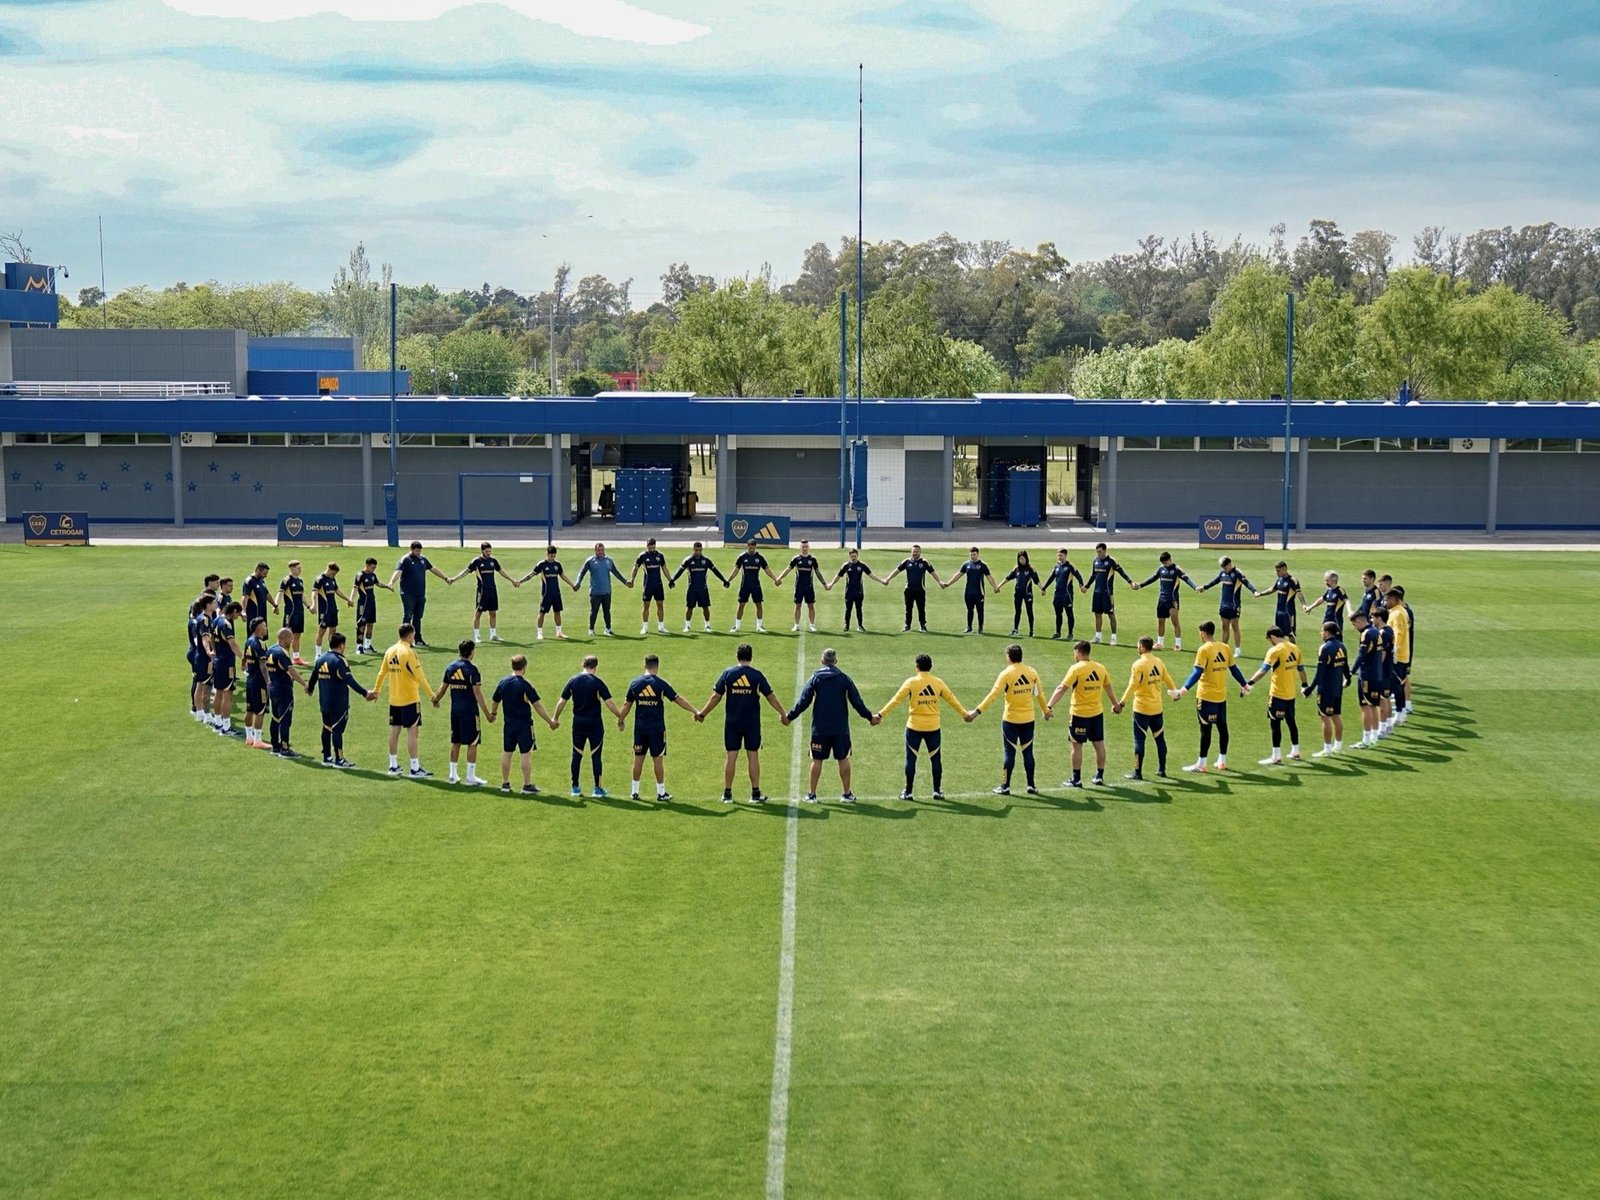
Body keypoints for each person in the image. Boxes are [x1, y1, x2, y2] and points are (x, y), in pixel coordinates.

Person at [784, 647, 878, 803]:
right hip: (840, 728)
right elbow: (857, 702)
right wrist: (870, 717)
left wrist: (789, 717)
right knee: (843, 758)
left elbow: (803, 701)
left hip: (820, 729)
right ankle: (846, 794)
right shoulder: (844, 679)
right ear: (836, 661)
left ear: (822, 661)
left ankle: (812, 794)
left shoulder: (815, 678)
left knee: (817, 760)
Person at [697, 643, 787, 804]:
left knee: (731, 755)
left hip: (732, 722)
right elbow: (770, 697)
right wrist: (783, 713)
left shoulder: (728, 674)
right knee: (753, 755)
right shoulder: (757, 675)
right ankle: (755, 793)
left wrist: (702, 713)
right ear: (751, 657)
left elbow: (716, 697)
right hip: (751, 722)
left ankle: (727, 793)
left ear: (737, 656)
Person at [877, 653, 968, 800]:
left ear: (916, 667)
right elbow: (952, 699)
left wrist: (880, 715)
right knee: (936, 759)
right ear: (930, 667)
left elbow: (896, 700)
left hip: (914, 727)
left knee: (911, 759)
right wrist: (964, 714)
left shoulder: (911, 683)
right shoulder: (938, 683)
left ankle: (908, 792)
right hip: (933, 727)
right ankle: (937, 791)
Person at [968, 643, 1050, 796]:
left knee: (1009, 754)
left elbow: (993, 695)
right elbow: (1040, 694)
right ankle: (1031, 785)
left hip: (1011, 721)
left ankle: (1005, 786)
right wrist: (1045, 711)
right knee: (1028, 753)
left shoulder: (1006, 674)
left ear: (1009, 657)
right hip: (1028, 720)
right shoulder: (1031, 672)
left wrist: (976, 712)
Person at [616, 654, 699, 802]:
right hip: (657, 728)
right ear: (657, 666)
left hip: (640, 728)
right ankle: (661, 793)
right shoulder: (661, 684)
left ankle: (634, 791)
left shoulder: (635, 683)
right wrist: (695, 711)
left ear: (644, 665)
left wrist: (621, 719)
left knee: (638, 759)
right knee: (658, 760)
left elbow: (626, 705)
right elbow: (677, 699)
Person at [1172, 620, 1251, 773]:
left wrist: (1183, 690)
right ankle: (1222, 761)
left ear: (1203, 633)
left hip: (1206, 696)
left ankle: (1202, 764)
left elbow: (1197, 672)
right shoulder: (1225, 647)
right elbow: (1234, 669)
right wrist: (1245, 684)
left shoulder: (1204, 649)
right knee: (1223, 728)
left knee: (1205, 730)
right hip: (1221, 696)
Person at [1046, 640, 1120, 788]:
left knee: (1076, 746)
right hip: (1097, 713)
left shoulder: (1076, 669)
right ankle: (1099, 775)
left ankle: (1076, 779)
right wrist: (1115, 704)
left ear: (1079, 652)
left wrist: (1049, 706)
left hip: (1079, 714)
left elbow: (1062, 688)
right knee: (1099, 744)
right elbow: (1109, 688)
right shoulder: (1100, 668)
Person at [553, 654, 625, 797]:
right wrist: (620, 717)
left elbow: (562, 702)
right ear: (595, 667)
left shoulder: (573, 681)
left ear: (583, 664)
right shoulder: (597, 683)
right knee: (596, 756)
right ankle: (597, 789)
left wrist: (555, 718)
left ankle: (575, 787)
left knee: (576, 755)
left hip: (578, 723)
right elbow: (609, 702)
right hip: (595, 724)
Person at [373, 622, 437, 778]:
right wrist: (431, 695)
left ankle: (393, 765)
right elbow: (420, 676)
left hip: (394, 699)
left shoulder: (390, 651)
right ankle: (415, 768)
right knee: (412, 732)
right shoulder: (409, 653)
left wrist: (377, 690)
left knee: (394, 730)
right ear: (410, 635)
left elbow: (382, 673)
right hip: (409, 698)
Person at [489, 654, 558, 795]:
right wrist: (550, 722)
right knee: (525, 754)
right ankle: (526, 785)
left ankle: (505, 783)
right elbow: (537, 706)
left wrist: (494, 714)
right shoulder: (525, 685)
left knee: (507, 752)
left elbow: (495, 700)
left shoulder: (503, 682)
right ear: (524, 667)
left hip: (508, 724)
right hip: (524, 725)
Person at [306, 631, 376, 768]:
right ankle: (339, 759)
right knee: (337, 730)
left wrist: (309, 689)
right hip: (338, 703)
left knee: (326, 728)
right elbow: (349, 680)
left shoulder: (320, 659)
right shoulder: (340, 661)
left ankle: (327, 757)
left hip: (324, 702)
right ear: (342, 645)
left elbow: (313, 678)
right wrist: (364, 693)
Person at [432, 639, 494, 786]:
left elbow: (443, 687)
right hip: (470, 711)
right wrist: (487, 713)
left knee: (456, 741)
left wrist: (436, 699)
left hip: (455, 711)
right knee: (473, 742)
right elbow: (477, 693)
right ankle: (470, 776)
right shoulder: (472, 670)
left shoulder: (451, 667)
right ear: (471, 652)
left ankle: (452, 775)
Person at [1244, 626, 1308, 765]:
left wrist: (1249, 683)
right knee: (1291, 722)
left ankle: (1276, 755)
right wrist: (1304, 685)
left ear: (1272, 637)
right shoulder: (1294, 648)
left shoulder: (1275, 651)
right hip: (1291, 693)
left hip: (1278, 693)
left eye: (1269, 640)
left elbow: (1264, 670)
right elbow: (1301, 669)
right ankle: (1295, 751)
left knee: (1275, 724)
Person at [1118, 635, 1178, 781]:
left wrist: (1122, 702)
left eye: (1138, 645)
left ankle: (1137, 772)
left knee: (1139, 742)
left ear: (1143, 647)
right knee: (1160, 740)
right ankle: (1162, 769)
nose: (1137, 648)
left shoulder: (1138, 664)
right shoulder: (1158, 662)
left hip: (1141, 709)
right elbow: (1167, 678)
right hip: (1157, 708)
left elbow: (1132, 685)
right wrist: (1175, 692)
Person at [449, 542, 516, 644]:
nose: (488, 553)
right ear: (482, 551)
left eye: (489, 551)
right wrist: (454, 579)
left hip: (492, 590)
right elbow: (466, 572)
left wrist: (512, 580)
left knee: (493, 612)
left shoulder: (493, 561)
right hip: (482, 591)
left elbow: (501, 571)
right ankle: (477, 635)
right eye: (486, 551)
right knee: (478, 613)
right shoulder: (476, 561)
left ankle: (493, 634)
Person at [389, 542, 453, 647]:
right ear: (411, 549)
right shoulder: (406, 559)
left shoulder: (423, 559)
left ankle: (418, 639)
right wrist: (391, 582)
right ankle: (405, 641)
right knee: (407, 616)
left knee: (418, 617)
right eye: (416, 551)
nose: (418, 553)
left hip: (420, 593)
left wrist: (445, 578)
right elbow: (398, 572)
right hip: (408, 593)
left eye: (419, 551)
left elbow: (433, 569)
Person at [1303, 620, 1351, 758]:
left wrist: (1310, 689)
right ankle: (1338, 745)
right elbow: (1345, 666)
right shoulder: (1342, 646)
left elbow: (1320, 673)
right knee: (1336, 715)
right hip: (1337, 688)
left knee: (1325, 717)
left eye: (1322, 631)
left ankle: (1327, 748)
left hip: (1326, 689)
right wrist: (1348, 678)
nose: (1320, 633)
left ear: (1327, 632)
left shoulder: (1325, 648)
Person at [1134, 552, 1197, 651]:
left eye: (1166, 562)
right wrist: (1140, 585)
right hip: (1162, 599)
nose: (1165, 564)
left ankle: (1178, 644)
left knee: (1174, 621)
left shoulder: (1177, 569)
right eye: (1163, 563)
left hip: (1173, 599)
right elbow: (1153, 578)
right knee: (1160, 621)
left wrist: (1195, 587)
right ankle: (1160, 643)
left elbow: (1186, 579)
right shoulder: (1161, 569)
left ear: (1170, 559)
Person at [264, 627, 308, 757]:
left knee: (275, 718)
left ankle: (275, 746)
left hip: (273, 688)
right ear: (284, 639)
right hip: (283, 690)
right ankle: (285, 748)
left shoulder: (270, 650)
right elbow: (291, 670)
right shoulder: (281, 653)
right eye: (291, 639)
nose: (292, 641)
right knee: (285, 720)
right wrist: (304, 684)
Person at [1196, 556, 1255, 653]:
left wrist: (1254, 591)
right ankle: (1223, 649)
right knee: (1225, 627)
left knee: (1235, 626)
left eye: (1225, 566)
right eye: (1223, 567)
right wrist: (1204, 587)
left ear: (1229, 564)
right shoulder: (1222, 573)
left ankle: (1237, 650)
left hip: (1234, 605)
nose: (1224, 569)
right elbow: (1215, 581)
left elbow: (1246, 583)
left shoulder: (1237, 573)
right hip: (1224, 605)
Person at [516, 545, 573, 640]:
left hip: (556, 593)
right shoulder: (542, 565)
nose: (552, 558)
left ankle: (559, 632)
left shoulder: (557, 565)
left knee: (557, 612)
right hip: (546, 593)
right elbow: (532, 574)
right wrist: (520, 581)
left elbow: (563, 576)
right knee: (542, 612)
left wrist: (572, 585)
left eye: (554, 556)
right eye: (551, 556)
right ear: (547, 554)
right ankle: (539, 633)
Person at [671, 541, 729, 632]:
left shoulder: (706, 561)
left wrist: (724, 580)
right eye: (696, 550)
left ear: (702, 550)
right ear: (693, 550)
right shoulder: (688, 561)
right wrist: (672, 580)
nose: (698, 552)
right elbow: (680, 572)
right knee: (689, 607)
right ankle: (687, 626)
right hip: (692, 589)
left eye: (699, 550)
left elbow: (715, 571)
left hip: (703, 588)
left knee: (705, 607)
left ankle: (707, 626)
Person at [576, 541, 630, 637]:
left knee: (607, 611)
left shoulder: (609, 561)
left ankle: (608, 629)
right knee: (594, 611)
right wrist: (578, 583)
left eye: (602, 550)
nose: (601, 552)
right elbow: (582, 572)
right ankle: (591, 629)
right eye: (599, 550)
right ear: (595, 551)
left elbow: (616, 572)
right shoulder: (590, 561)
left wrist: (625, 582)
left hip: (606, 591)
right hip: (595, 592)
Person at [1083, 542, 1133, 645]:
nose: (1098, 554)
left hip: (1107, 593)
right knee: (1097, 614)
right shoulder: (1095, 561)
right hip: (1097, 592)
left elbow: (1122, 572)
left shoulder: (1111, 562)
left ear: (1105, 550)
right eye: (1097, 552)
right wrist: (1086, 586)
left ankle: (1113, 637)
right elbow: (1093, 575)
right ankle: (1098, 637)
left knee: (1111, 614)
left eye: (1100, 552)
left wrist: (1130, 582)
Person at [208, 600, 245, 737]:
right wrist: (243, 658)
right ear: (234, 611)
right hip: (227, 663)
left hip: (218, 661)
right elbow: (233, 644)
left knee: (218, 692)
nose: (237, 617)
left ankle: (218, 724)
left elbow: (211, 637)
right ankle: (227, 727)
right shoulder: (227, 624)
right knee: (228, 694)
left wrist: (215, 651)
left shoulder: (216, 620)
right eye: (238, 614)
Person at [943, 546, 997, 634]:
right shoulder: (966, 565)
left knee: (980, 610)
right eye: (971, 554)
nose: (972, 556)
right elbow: (958, 575)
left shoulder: (983, 565)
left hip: (979, 592)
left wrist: (995, 586)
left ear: (978, 554)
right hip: (968, 592)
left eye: (974, 554)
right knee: (969, 610)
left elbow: (989, 577)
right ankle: (969, 627)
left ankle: (980, 627)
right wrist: (948, 583)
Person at [728, 539, 778, 633]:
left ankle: (759, 626)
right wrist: (729, 580)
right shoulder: (742, 557)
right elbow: (736, 570)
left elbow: (767, 570)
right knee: (741, 605)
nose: (751, 549)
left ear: (756, 547)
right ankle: (737, 626)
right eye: (750, 547)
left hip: (756, 585)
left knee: (759, 604)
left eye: (753, 547)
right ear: (747, 546)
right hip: (745, 585)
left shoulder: (760, 558)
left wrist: (775, 579)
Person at [1350, 610, 1384, 748]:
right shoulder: (1376, 631)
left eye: (1354, 624)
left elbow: (1361, 655)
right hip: (1377, 673)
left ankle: (1366, 740)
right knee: (1373, 706)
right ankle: (1374, 737)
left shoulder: (1367, 634)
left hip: (1367, 675)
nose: (1354, 627)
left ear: (1359, 621)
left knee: (1365, 706)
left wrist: (1351, 672)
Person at [883, 545, 936, 632]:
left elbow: (932, 572)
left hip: (920, 590)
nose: (915, 553)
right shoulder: (906, 562)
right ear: (911, 552)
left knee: (921, 609)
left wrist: (940, 582)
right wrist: (888, 579)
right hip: (909, 590)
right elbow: (897, 570)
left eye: (917, 551)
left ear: (920, 552)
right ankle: (907, 625)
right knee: (908, 609)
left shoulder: (924, 562)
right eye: (914, 551)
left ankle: (923, 626)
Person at [777, 538, 822, 632]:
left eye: (806, 547)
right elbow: (788, 569)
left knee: (811, 605)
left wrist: (824, 583)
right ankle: (796, 625)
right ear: (800, 548)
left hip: (809, 586)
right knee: (798, 605)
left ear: (809, 547)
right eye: (803, 547)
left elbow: (817, 572)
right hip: (799, 586)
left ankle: (812, 625)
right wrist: (779, 578)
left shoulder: (812, 559)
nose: (805, 548)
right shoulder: (796, 559)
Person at [1040, 548, 1084, 640]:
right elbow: (1051, 577)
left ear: (1066, 555)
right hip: (1058, 594)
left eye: (1061, 555)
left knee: (1069, 614)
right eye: (1058, 555)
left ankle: (1070, 634)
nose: (1059, 557)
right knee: (1058, 614)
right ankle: (1058, 633)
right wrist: (1044, 587)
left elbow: (1078, 576)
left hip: (1067, 594)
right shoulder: (1057, 566)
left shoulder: (1070, 566)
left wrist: (1081, 586)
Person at [1254, 561, 1304, 642]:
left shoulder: (1293, 580)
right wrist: (1261, 594)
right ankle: (1282, 652)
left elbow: (1299, 593)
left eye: (1278, 571)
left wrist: (1304, 604)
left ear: (1284, 569)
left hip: (1288, 612)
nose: (1276, 573)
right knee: (1279, 634)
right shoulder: (1280, 580)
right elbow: (1273, 589)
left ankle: (1293, 653)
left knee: (1290, 634)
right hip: (1279, 612)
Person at [631, 538, 671, 635]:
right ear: (647, 546)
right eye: (650, 546)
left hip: (658, 584)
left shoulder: (659, 556)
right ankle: (645, 627)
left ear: (655, 545)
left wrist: (670, 580)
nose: (652, 548)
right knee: (646, 605)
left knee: (660, 605)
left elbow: (664, 568)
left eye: (653, 546)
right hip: (648, 585)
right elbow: (635, 568)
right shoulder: (642, 556)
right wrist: (632, 580)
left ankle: (661, 626)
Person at [241, 617, 271, 749]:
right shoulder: (260, 643)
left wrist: (243, 665)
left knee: (249, 709)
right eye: (264, 626)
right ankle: (258, 740)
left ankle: (249, 737)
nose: (266, 628)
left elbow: (244, 657)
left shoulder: (249, 641)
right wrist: (268, 681)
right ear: (259, 628)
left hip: (250, 680)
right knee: (260, 710)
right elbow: (263, 665)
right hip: (259, 682)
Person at [352, 556, 392, 654]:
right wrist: (350, 599)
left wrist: (387, 586)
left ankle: (367, 645)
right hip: (363, 603)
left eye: (374, 568)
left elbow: (378, 583)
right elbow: (355, 587)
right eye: (372, 567)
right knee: (361, 624)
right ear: (367, 565)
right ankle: (359, 646)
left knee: (370, 624)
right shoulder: (360, 575)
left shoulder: (372, 575)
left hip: (371, 603)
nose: (373, 569)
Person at [188, 593, 217, 724]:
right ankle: (204, 713)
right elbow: (205, 639)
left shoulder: (204, 618)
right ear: (208, 605)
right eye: (214, 603)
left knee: (201, 684)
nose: (216, 605)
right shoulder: (204, 619)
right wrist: (209, 652)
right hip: (203, 657)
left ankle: (200, 712)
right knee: (204, 685)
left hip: (200, 656)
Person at [310, 562, 352, 655]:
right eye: (333, 573)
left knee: (333, 631)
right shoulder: (320, 579)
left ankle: (331, 651)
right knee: (321, 631)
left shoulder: (332, 579)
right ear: (329, 569)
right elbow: (314, 592)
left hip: (333, 609)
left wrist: (348, 599)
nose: (334, 575)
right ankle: (318, 654)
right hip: (324, 610)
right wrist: (314, 605)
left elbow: (337, 590)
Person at [832, 548, 876, 632]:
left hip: (859, 591)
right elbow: (838, 576)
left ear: (857, 556)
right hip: (849, 591)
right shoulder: (846, 566)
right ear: (849, 556)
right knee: (848, 609)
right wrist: (831, 584)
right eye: (852, 556)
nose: (854, 558)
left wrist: (882, 581)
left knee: (859, 609)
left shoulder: (862, 565)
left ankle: (860, 626)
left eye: (855, 556)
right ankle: (846, 625)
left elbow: (871, 575)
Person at [1385, 587, 1413, 722]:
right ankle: (1400, 712)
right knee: (1395, 684)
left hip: (1398, 656)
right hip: (1401, 654)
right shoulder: (1397, 611)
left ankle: (1400, 712)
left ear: (1393, 599)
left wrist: (1394, 650)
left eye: (1387, 599)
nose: (1385, 601)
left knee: (1396, 685)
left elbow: (1399, 633)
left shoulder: (1397, 614)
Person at [1002, 550, 1042, 637]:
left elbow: (1036, 580)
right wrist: (999, 586)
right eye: (1020, 559)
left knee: (1029, 611)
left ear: (1026, 559)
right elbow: (1008, 578)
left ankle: (1031, 630)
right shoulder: (1016, 569)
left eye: (1023, 558)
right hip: (1018, 594)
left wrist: (1042, 589)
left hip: (1027, 594)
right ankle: (1015, 629)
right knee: (1017, 611)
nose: (1021, 560)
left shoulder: (1031, 569)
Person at [279, 559, 307, 663]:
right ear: (292, 568)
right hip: (290, 612)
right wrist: (276, 605)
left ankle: (296, 658)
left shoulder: (300, 581)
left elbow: (302, 596)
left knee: (297, 635)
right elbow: (281, 593)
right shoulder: (287, 580)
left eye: (300, 568)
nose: (300, 570)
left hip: (300, 612)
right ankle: (284, 657)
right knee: (286, 635)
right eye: (298, 568)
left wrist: (309, 606)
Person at [242, 561, 277, 633]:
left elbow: (266, 594)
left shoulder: (261, 581)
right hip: (254, 613)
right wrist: (244, 611)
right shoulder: (249, 581)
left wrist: (274, 605)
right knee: (254, 634)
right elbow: (245, 597)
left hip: (262, 612)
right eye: (264, 573)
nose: (266, 576)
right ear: (258, 570)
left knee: (262, 634)